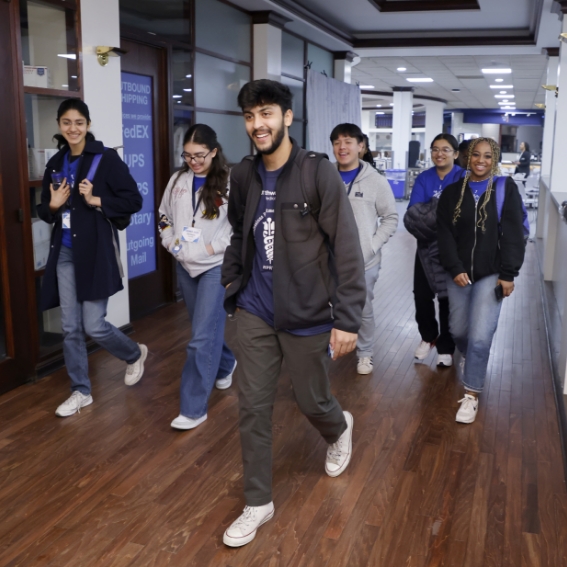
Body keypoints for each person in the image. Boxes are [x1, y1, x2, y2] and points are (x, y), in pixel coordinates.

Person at [221, 79, 365, 547]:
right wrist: (231, 285)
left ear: (287, 117)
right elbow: (239, 233)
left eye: (265, 113)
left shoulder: (316, 173)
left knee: (311, 401)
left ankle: (338, 426)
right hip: (256, 312)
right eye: (249, 116)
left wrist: (347, 319)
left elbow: (346, 249)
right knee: (253, 407)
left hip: (307, 315)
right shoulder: (243, 175)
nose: (257, 124)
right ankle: (258, 501)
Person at [38, 99, 147, 417]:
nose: (73, 128)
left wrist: (95, 198)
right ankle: (80, 390)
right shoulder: (56, 163)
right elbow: (46, 209)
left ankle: (133, 353)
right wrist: (55, 204)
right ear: (59, 124)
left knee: (94, 325)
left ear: (87, 124)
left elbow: (133, 200)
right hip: (66, 252)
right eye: (67, 122)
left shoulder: (105, 158)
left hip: (96, 252)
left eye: (79, 122)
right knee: (70, 327)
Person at [437, 137, 525, 423]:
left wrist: (508, 273)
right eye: (476, 155)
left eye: (488, 156)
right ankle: (469, 356)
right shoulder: (452, 194)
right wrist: (454, 267)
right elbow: (444, 234)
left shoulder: (504, 189)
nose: (481, 161)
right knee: (458, 330)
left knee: (479, 337)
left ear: (495, 159)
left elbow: (513, 232)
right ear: (467, 157)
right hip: (459, 273)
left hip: (491, 274)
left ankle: (471, 394)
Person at [158, 124, 236, 430]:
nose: (194, 161)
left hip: (215, 266)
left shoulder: (230, 181)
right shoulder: (178, 179)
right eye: (188, 156)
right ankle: (226, 363)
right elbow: (163, 214)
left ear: (214, 152)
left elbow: (239, 228)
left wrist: (209, 247)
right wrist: (169, 241)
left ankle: (193, 409)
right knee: (205, 328)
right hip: (185, 266)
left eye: (200, 155)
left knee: (200, 337)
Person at [330, 123, 398, 375]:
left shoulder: (376, 181)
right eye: (337, 142)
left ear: (361, 146)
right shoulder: (325, 175)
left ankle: (365, 352)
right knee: (329, 305)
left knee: (363, 307)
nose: (342, 147)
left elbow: (391, 217)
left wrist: (371, 245)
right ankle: (333, 345)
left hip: (364, 261)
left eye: (348, 141)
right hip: (328, 259)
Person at [405, 134, 463, 367]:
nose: (439, 154)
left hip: (453, 250)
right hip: (426, 247)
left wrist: (431, 210)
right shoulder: (424, 178)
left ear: (456, 154)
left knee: (447, 298)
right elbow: (412, 216)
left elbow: (462, 216)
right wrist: (443, 213)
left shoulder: (463, 177)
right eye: (435, 149)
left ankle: (446, 347)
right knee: (421, 295)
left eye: (446, 149)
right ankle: (429, 336)